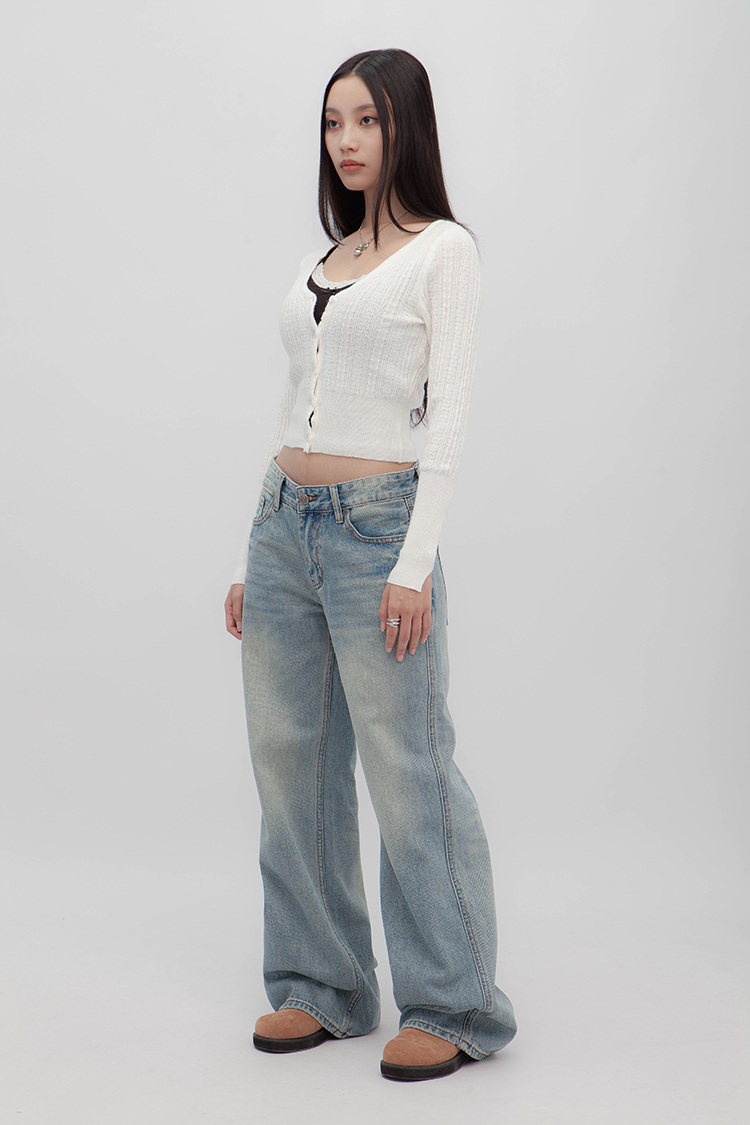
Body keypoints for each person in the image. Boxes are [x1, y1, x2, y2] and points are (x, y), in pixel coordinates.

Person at [223, 47, 517, 1082]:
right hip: (284, 524)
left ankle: (457, 1001)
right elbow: (293, 403)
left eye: (367, 120)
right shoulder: (332, 255)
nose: (346, 140)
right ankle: (323, 983)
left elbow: (450, 421)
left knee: (407, 769)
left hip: (378, 529)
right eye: (332, 122)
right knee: (289, 761)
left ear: (406, 128)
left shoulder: (444, 252)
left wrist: (413, 562)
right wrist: (256, 550)